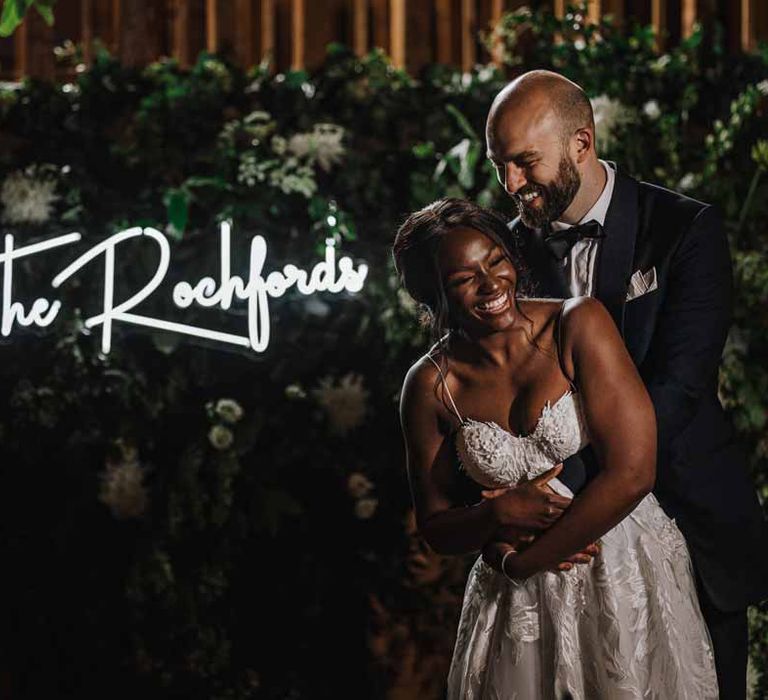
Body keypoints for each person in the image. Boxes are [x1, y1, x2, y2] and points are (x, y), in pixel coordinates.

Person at [483, 69, 768, 699]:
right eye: (500, 165)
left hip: (682, 517)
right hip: (554, 560)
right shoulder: (499, 253)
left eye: (526, 163)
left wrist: (561, 494)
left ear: (581, 143)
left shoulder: (684, 229)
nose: (512, 185)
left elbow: (681, 388)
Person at [394, 198, 718, 699]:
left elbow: (634, 472)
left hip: (620, 566)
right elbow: (437, 526)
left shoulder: (577, 323)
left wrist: (525, 563)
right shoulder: (430, 385)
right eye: (463, 278)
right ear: (431, 292)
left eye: (496, 260)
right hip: (518, 608)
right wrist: (499, 514)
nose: (491, 285)